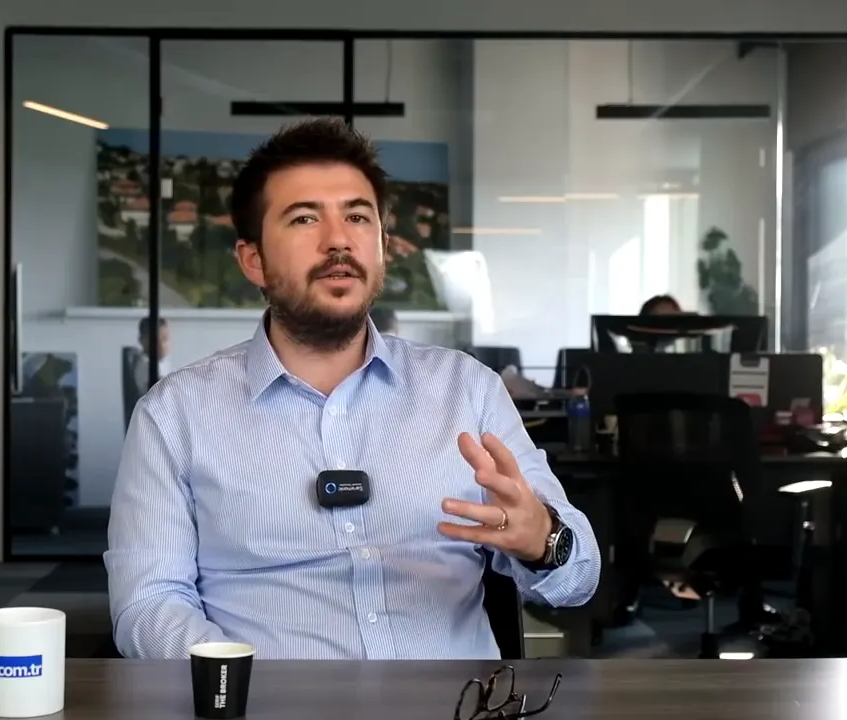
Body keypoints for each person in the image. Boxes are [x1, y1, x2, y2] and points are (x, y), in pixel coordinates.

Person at [106, 118, 600, 660]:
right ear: (254, 260)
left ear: (382, 247)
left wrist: (544, 542)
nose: (338, 239)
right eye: (304, 218)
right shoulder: (174, 415)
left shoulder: (467, 391)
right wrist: (242, 686)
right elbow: (149, 602)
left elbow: (579, 578)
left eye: (358, 216)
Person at [132, 317, 170, 394]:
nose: (162, 345)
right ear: (142, 340)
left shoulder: (158, 364)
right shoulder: (145, 366)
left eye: (165, 339)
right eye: (156, 340)